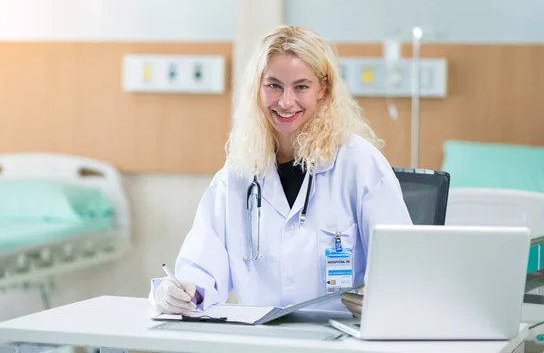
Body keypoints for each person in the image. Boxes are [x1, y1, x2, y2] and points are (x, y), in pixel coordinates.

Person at [149, 25, 412, 318]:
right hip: (260, 338)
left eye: (301, 86)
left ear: (322, 89)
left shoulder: (359, 164)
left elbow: (402, 267)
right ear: (258, 87)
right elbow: (202, 264)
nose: (286, 101)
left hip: (338, 338)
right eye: (274, 85)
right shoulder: (239, 171)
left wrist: (385, 301)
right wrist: (185, 290)